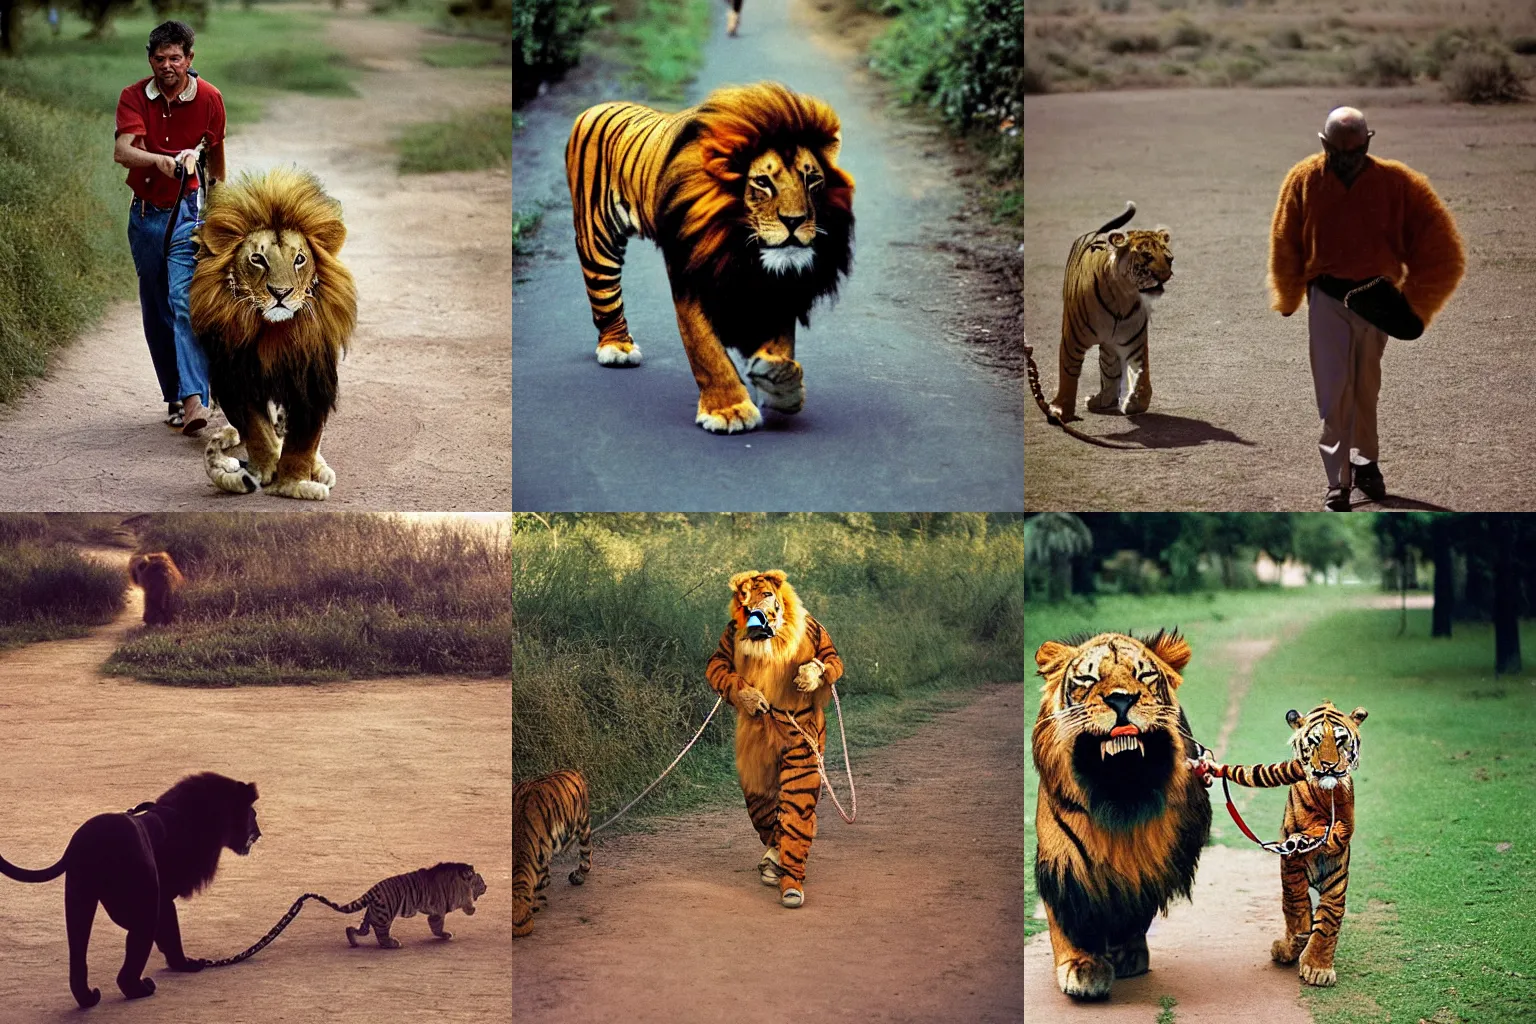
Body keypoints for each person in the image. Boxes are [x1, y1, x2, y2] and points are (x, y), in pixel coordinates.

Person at [1269, 106, 1465, 512]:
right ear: (1323, 144)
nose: (1346, 159)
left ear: (1369, 142)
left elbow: (1439, 245)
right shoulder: (1304, 179)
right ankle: (1337, 482)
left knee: (1365, 386)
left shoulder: (1398, 183)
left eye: (1355, 151)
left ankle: (1366, 464)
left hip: (1376, 300)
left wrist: (1412, 305)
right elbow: (1286, 239)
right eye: (1338, 152)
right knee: (1333, 390)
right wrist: (1288, 294)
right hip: (1324, 297)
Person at [113, 20, 226, 435]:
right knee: (155, 306)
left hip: (186, 214)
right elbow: (122, 151)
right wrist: (159, 161)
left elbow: (216, 160)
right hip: (144, 216)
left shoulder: (210, 98)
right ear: (150, 60)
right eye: (159, 58)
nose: (167, 66)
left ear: (190, 59)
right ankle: (175, 396)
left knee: (182, 300)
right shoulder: (133, 96)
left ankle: (196, 399)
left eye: (175, 58)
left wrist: (218, 214)